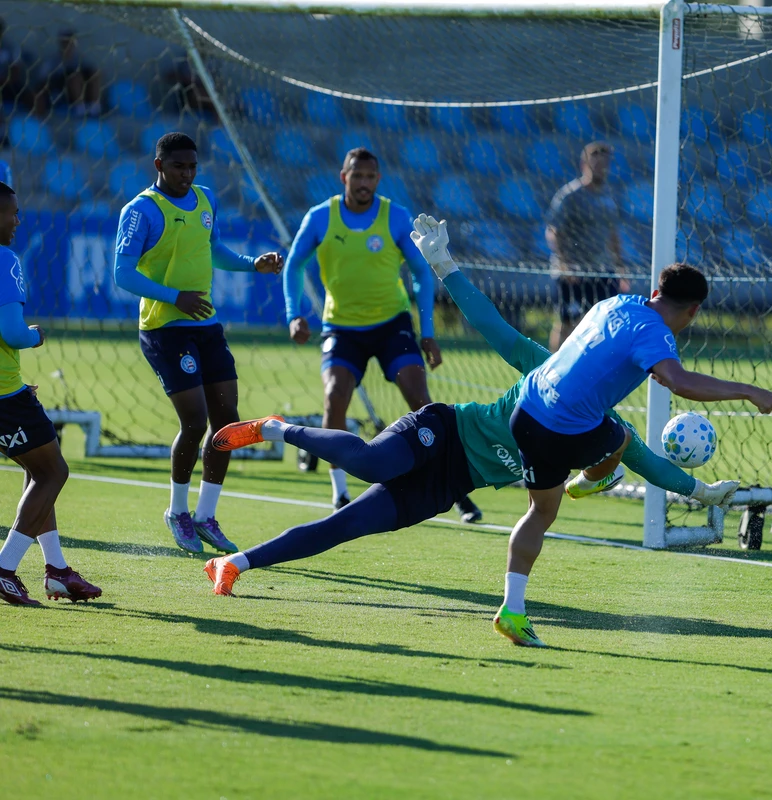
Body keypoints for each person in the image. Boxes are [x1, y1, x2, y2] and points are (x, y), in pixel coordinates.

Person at [202, 213, 739, 599]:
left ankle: (234, 563)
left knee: (349, 526)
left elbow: (644, 461)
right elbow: (491, 326)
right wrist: (443, 264)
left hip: (450, 484)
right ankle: (277, 429)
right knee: (370, 460)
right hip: (446, 430)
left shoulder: (599, 423)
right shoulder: (542, 369)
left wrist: (704, 491)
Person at [497, 236, 772, 647]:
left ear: (654, 292)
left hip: (526, 407)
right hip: (564, 425)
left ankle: (513, 611)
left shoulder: (614, 303)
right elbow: (681, 382)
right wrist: (748, 390)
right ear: (694, 310)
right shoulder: (655, 334)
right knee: (619, 437)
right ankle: (592, 478)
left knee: (540, 514)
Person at [282, 148, 481, 522]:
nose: (364, 183)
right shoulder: (321, 218)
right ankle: (340, 494)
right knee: (333, 398)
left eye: (371, 177)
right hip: (341, 327)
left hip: (392, 325)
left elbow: (422, 275)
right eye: (357, 176)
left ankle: (453, 489)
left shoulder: (395, 217)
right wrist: (294, 316)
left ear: (378, 179)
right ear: (344, 177)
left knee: (421, 401)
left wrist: (427, 332)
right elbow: (293, 266)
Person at [112, 132, 283, 555]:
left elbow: (213, 249)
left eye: (192, 167)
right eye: (178, 167)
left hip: (206, 324)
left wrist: (250, 265)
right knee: (195, 420)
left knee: (228, 420)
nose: (186, 175)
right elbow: (122, 274)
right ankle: (177, 511)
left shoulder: (205, 198)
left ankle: (206, 515)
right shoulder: (141, 210)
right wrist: (174, 297)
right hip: (163, 328)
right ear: (159, 166)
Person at [0, 182, 101, 605]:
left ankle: (56, 570)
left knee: (36, 469)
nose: (18, 220)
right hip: (4, 395)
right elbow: (10, 332)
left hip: (9, 390)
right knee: (53, 472)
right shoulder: (5, 258)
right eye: (12, 213)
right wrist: (36, 336)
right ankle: (4, 567)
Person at [546, 140, 627, 351]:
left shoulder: (609, 196)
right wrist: (565, 265)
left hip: (602, 270)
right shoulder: (570, 195)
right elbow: (553, 231)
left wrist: (620, 267)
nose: (602, 168)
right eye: (597, 163)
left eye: (605, 164)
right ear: (584, 165)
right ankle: (552, 369)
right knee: (567, 323)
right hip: (574, 272)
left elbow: (612, 234)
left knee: (602, 325)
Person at [33, 29, 101, 118]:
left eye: (71, 42)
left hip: (82, 89)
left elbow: (88, 72)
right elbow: (42, 81)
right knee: (74, 77)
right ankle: (79, 107)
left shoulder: (80, 60)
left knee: (94, 73)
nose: (68, 45)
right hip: (60, 93)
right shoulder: (51, 62)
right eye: (65, 42)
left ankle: (94, 107)